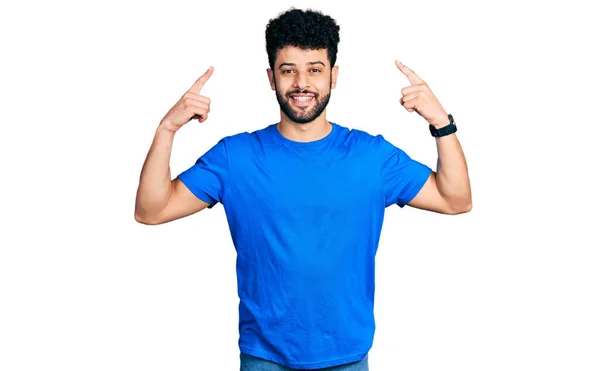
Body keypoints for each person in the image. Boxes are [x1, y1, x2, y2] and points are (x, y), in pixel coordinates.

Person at [134, 7, 471, 371]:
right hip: (264, 357)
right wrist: (166, 129)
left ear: (333, 76)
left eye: (314, 69)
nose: (301, 83)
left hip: (347, 356)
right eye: (288, 70)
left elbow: (455, 200)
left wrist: (441, 122)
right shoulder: (236, 157)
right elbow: (151, 210)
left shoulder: (371, 156)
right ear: (271, 77)